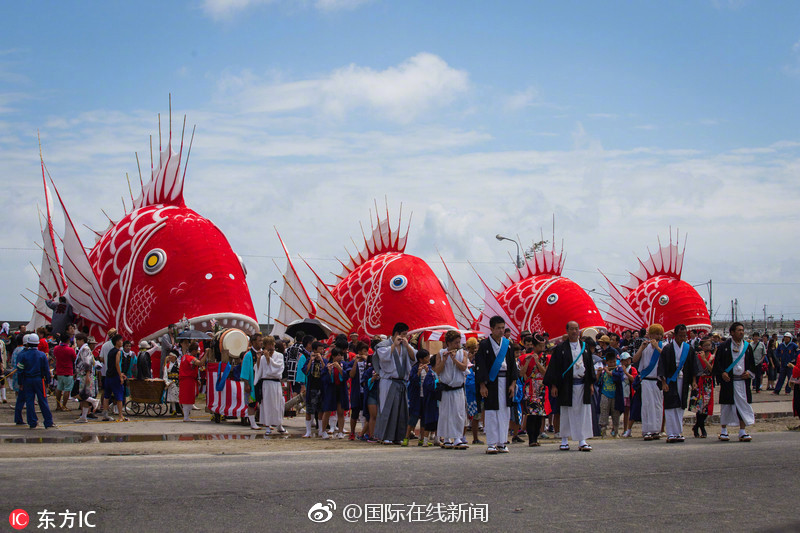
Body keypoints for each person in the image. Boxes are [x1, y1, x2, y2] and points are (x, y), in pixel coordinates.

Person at [543, 322, 597, 451]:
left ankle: (582, 440)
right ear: (567, 330)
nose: (574, 331)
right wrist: (554, 385)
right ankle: (564, 439)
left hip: (582, 383)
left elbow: (589, 366)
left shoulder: (584, 347)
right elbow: (555, 368)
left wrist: (590, 384)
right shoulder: (561, 348)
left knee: (582, 412)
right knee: (566, 412)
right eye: (571, 329)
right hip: (567, 385)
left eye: (576, 329)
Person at [475, 316, 519, 454]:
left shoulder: (508, 344)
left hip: (505, 381)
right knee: (491, 412)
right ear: (492, 329)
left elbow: (512, 366)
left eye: (502, 328)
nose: (501, 330)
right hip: (491, 382)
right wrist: (482, 385)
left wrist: (512, 384)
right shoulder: (484, 345)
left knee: (504, 412)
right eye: (498, 328)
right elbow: (480, 366)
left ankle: (502, 442)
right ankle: (492, 443)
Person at [373, 322, 416, 445]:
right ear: (397, 334)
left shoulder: (405, 346)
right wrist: (394, 346)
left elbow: (414, 358)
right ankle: (385, 436)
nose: (405, 337)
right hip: (389, 381)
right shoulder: (384, 345)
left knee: (401, 411)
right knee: (388, 409)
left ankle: (398, 436)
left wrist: (407, 346)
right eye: (404, 335)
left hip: (401, 382)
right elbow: (383, 358)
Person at [712, 322, 756, 442]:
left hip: (742, 381)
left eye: (742, 330)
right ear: (732, 332)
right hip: (729, 382)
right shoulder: (724, 346)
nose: (741, 332)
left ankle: (742, 431)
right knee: (726, 406)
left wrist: (749, 373)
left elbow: (753, 364)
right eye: (738, 330)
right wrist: (722, 373)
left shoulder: (747, 347)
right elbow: (718, 363)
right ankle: (724, 431)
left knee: (743, 405)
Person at [657, 324, 698, 443]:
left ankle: (678, 432)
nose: (682, 338)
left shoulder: (688, 348)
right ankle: (671, 433)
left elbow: (693, 366)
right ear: (675, 335)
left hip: (684, 380)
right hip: (671, 380)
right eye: (680, 335)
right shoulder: (668, 348)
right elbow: (662, 366)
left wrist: (694, 381)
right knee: (670, 406)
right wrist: (663, 382)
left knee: (680, 406)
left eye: (684, 336)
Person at [434, 330, 469, 450]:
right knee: (445, 414)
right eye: (455, 343)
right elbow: (437, 371)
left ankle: (458, 438)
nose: (457, 345)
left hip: (458, 389)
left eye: (459, 342)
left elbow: (464, 367)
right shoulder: (440, 353)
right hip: (446, 389)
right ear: (448, 343)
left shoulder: (463, 353)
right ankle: (447, 438)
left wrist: (454, 360)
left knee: (459, 414)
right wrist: (445, 360)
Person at [16, 334, 56, 429]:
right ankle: (48, 421)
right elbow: (46, 370)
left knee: (29, 401)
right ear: (37, 344)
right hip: (39, 380)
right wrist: (48, 381)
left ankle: (32, 422)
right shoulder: (42, 355)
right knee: (43, 401)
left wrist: (20, 383)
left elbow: (20, 370)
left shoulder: (23, 355)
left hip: (27, 380)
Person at [633, 324, 664, 441]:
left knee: (657, 405)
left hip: (658, 380)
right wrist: (641, 348)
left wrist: (657, 347)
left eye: (660, 334)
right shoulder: (645, 346)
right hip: (646, 379)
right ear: (650, 335)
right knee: (647, 405)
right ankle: (647, 430)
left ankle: (656, 430)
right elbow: (634, 360)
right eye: (656, 334)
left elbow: (667, 358)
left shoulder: (663, 346)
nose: (658, 336)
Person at [519, 333, 548, 447]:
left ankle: (536, 436)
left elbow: (545, 373)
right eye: (541, 346)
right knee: (531, 413)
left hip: (541, 386)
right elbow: (521, 374)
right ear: (535, 346)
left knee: (540, 413)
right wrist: (527, 362)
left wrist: (537, 362)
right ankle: (532, 439)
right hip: (530, 387)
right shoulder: (525, 357)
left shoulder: (545, 358)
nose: (543, 348)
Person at [255, 336, 285, 434]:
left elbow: (278, 368)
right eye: (268, 345)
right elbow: (259, 370)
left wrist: (269, 359)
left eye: (272, 344)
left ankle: (279, 425)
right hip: (266, 384)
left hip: (276, 383)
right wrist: (259, 359)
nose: (271, 346)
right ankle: (267, 426)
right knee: (267, 405)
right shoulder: (263, 357)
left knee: (278, 405)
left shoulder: (279, 355)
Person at [691, 337, 715, 438]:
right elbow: (694, 369)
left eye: (708, 345)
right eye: (705, 345)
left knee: (706, 407)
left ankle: (697, 426)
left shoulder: (712, 357)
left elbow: (712, 370)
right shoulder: (697, 356)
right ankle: (701, 428)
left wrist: (705, 360)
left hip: (708, 382)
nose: (707, 347)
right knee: (699, 407)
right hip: (699, 382)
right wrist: (694, 381)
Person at [302, 341, 327, 438]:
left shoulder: (324, 360)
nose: (321, 351)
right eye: (320, 349)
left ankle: (321, 430)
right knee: (309, 410)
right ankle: (308, 431)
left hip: (321, 387)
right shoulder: (309, 360)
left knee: (320, 410)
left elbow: (326, 372)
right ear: (315, 350)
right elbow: (305, 371)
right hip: (311, 387)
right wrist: (310, 361)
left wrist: (321, 360)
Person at [100, 334, 127, 422]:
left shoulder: (110, 351)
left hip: (108, 375)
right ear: (117, 342)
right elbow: (117, 364)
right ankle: (120, 415)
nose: (122, 342)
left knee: (106, 396)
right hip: (115, 376)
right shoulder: (118, 352)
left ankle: (105, 414)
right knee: (119, 396)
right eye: (121, 340)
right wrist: (120, 375)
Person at [405, 349, 429, 446]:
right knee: (413, 418)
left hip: (425, 397)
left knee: (424, 418)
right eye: (426, 357)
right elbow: (413, 381)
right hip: (416, 397)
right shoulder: (414, 368)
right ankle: (406, 437)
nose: (428, 359)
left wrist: (428, 371)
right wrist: (418, 373)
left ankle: (422, 439)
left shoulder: (429, 367)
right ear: (421, 359)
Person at [74, 334, 99, 423]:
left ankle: (93, 401)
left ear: (81, 340)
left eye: (77, 340)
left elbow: (87, 363)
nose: (76, 342)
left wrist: (87, 375)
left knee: (76, 393)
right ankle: (84, 416)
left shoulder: (85, 349)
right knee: (83, 394)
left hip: (84, 375)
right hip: (82, 374)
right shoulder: (84, 349)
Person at [178, 342, 206, 422]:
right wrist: (206, 354)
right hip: (188, 380)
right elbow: (200, 363)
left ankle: (186, 416)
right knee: (188, 398)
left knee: (185, 398)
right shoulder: (190, 358)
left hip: (185, 380)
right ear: (194, 351)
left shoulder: (184, 357)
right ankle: (186, 417)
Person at [347, 342, 369, 440]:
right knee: (355, 413)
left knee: (365, 413)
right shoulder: (352, 362)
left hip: (366, 391)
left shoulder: (368, 362)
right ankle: (352, 432)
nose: (366, 353)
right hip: (356, 391)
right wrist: (355, 362)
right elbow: (351, 375)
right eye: (364, 351)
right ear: (359, 352)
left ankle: (365, 432)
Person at [240, 333, 263, 430]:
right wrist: (246, 384)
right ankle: (253, 423)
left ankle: (265, 422)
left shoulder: (263, 353)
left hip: (262, 382)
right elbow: (244, 370)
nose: (261, 343)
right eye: (259, 341)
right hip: (252, 383)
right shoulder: (249, 355)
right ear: (253, 342)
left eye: (262, 341)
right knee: (252, 403)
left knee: (263, 402)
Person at [463, 337, 483, 445]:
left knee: (477, 415)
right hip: (471, 389)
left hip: (475, 387)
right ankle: (472, 437)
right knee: (474, 415)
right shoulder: (466, 355)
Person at [598, 350, 620, 438]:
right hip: (605, 393)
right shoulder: (603, 371)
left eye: (614, 361)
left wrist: (608, 371)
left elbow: (618, 378)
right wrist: (599, 373)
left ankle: (616, 431)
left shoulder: (618, 369)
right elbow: (598, 382)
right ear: (607, 362)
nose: (613, 363)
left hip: (615, 394)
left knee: (616, 413)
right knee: (604, 411)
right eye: (611, 362)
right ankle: (603, 431)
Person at [614, 352, 637, 437]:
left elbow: (633, 379)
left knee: (628, 412)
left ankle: (626, 430)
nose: (628, 361)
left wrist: (626, 373)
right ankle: (616, 429)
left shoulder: (632, 369)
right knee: (619, 412)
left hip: (629, 393)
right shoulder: (618, 369)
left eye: (629, 359)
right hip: (621, 393)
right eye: (625, 360)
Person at [53, 332, 76, 411]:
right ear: (68, 340)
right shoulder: (70, 350)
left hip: (59, 371)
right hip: (68, 371)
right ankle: (64, 405)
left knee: (59, 388)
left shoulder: (56, 348)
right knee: (67, 389)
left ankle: (58, 405)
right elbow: (74, 358)